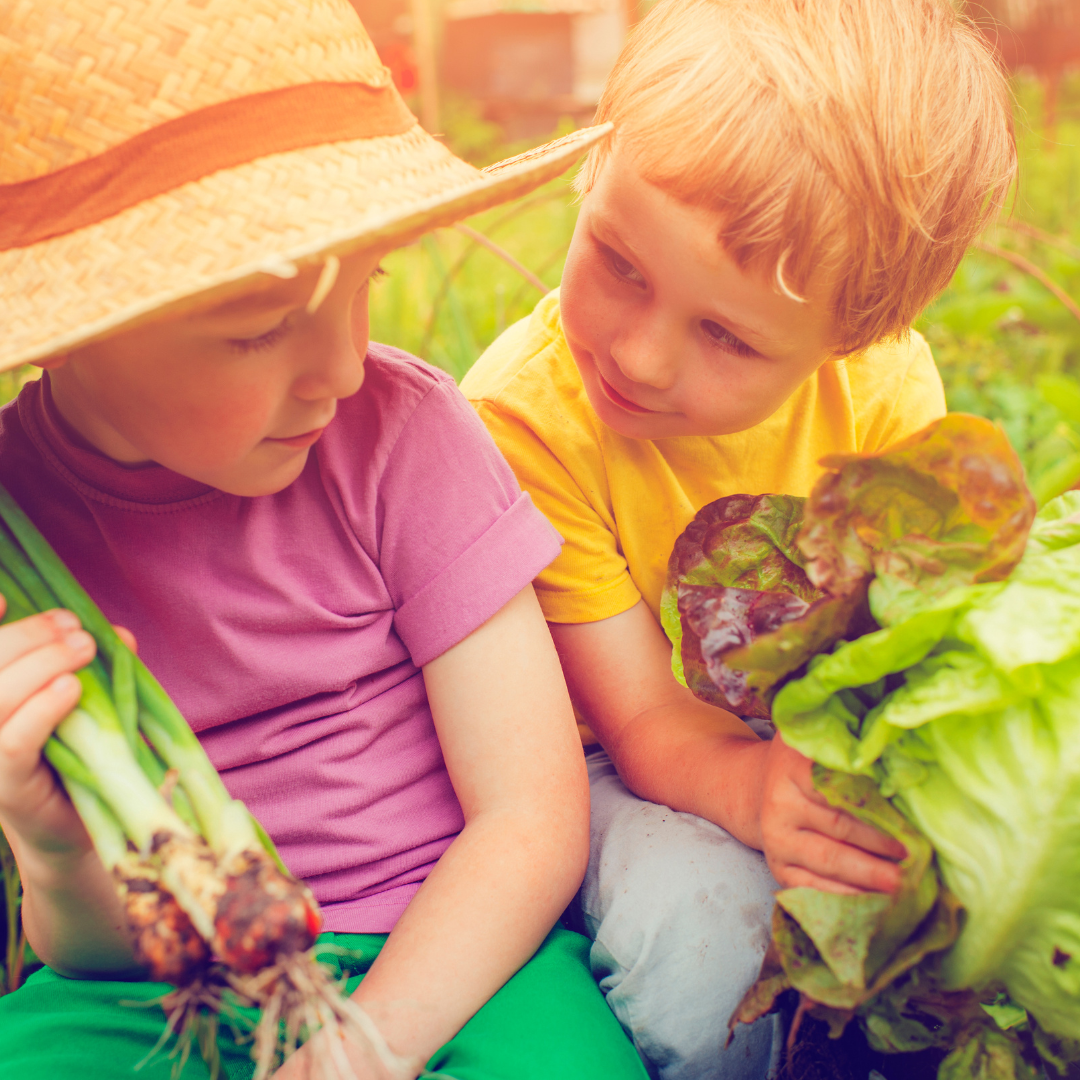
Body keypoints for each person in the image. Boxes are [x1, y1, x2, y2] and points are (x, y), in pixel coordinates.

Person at [0, 3, 650, 1079]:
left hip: (454, 949)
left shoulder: (402, 433)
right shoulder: (17, 521)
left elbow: (530, 820)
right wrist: (57, 848)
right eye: (258, 328)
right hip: (149, 989)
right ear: (72, 326)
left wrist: (374, 1037)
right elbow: (82, 945)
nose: (341, 369)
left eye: (368, 283)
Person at [460, 1, 1017, 1077]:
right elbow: (640, 719)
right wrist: (762, 799)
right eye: (620, 263)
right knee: (709, 963)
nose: (643, 357)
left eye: (723, 333)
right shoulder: (521, 421)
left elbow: (905, 642)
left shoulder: (886, 384)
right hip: (608, 765)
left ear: (849, 338)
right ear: (592, 169)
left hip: (801, 747)